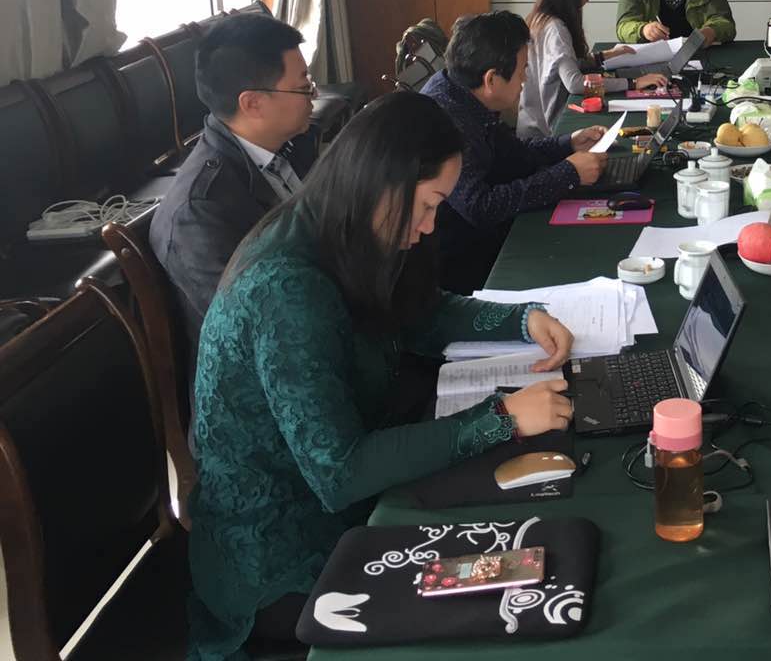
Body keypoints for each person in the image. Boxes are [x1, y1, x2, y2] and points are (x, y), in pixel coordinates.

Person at [186, 92, 577, 660]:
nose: (430, 225)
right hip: (283, 554)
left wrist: (521, 319)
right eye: (428, 204)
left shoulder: (343, 228)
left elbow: (421, 312)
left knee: (532, 542)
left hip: (350, 495)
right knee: (509, 592)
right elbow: (340, 472)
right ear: (383, 182)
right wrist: (501, 417)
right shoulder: (286, 288)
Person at [150, 13, 317, 381]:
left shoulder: (294, 144)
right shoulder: (200, 210)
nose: (314, 96)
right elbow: (255, 327)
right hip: (264, 385)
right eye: (303, 87)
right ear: (253, 103)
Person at [422, 11, 609, 290]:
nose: (524, 79)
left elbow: (513, 152)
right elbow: (481, 207)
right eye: (522, 70)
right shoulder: (447, 120)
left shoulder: (462, 92)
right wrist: (568, 173)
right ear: (491, 80)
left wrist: (567, 143)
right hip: (460, 263)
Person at [519, 0, 668, 138]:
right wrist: (634, 83)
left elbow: (565, 64)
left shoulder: (542, 18)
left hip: (537, 125)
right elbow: (575, 83)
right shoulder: (555, 28)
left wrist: (604, 56)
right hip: (545, 135)